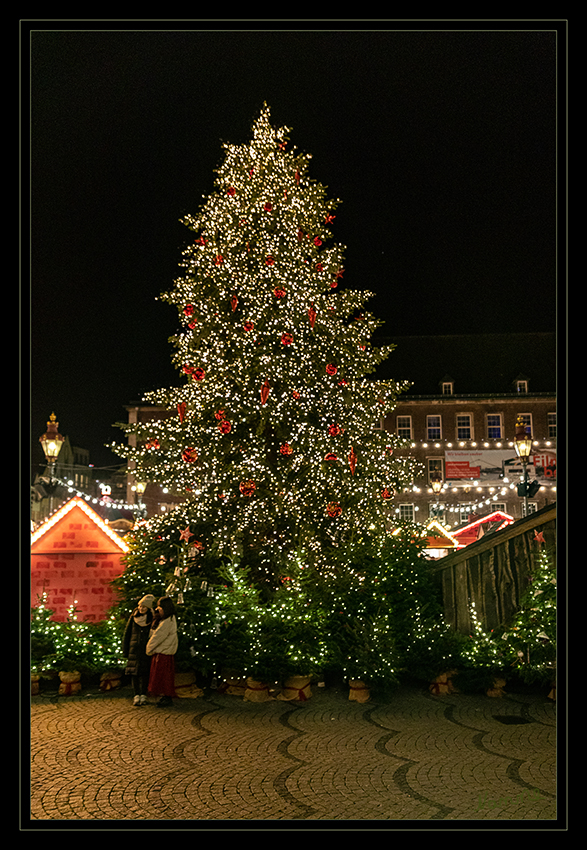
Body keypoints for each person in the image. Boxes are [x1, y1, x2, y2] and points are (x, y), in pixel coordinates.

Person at [122, 594, 156, 706]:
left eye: (144, 607)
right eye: (140, 606)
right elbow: (127, 634)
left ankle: (143, 694)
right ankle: (136, 694)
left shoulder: (151, 619)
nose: (141, 609)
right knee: (134, 673)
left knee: (145, 673)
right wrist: (125, 649)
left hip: (145, 650)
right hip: (134, 649)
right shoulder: (133, 618)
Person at [146, 596, 178, 707]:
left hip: (163, 653)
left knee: (162, 677)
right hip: (166, 653)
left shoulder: (166, 622)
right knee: (165, 676)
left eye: (160, 606)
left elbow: (157, 637)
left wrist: (149, 649)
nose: (158, 608)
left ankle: (166, 696)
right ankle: (165, 696)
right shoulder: (168, 619)